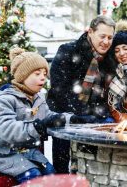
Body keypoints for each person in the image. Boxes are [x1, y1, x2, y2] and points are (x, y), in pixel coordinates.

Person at [0, 48, 68, 184]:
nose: (43, 77)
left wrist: (69, 118)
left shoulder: (38, 98)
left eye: (45, 74)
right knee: (33, 175)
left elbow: (48, 116)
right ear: (23, 76)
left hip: (27, 151)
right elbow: (6, 128)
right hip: (3, 153)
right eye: (37, 73)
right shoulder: (5, 99)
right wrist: (37, 126)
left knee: (51, 173)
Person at [47, 15, 116, 173]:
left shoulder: (109, 60)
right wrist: (78, 113)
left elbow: (106, 93)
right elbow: (59, 89)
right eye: (102, 36)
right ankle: (62, 178)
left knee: (93, 150)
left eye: (110, 37)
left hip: (91, 114)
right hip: (63, 110)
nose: (106, 42)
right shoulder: (68, 51)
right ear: (90, 32)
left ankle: (89, 173)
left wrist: (95, 113)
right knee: (62, 143)